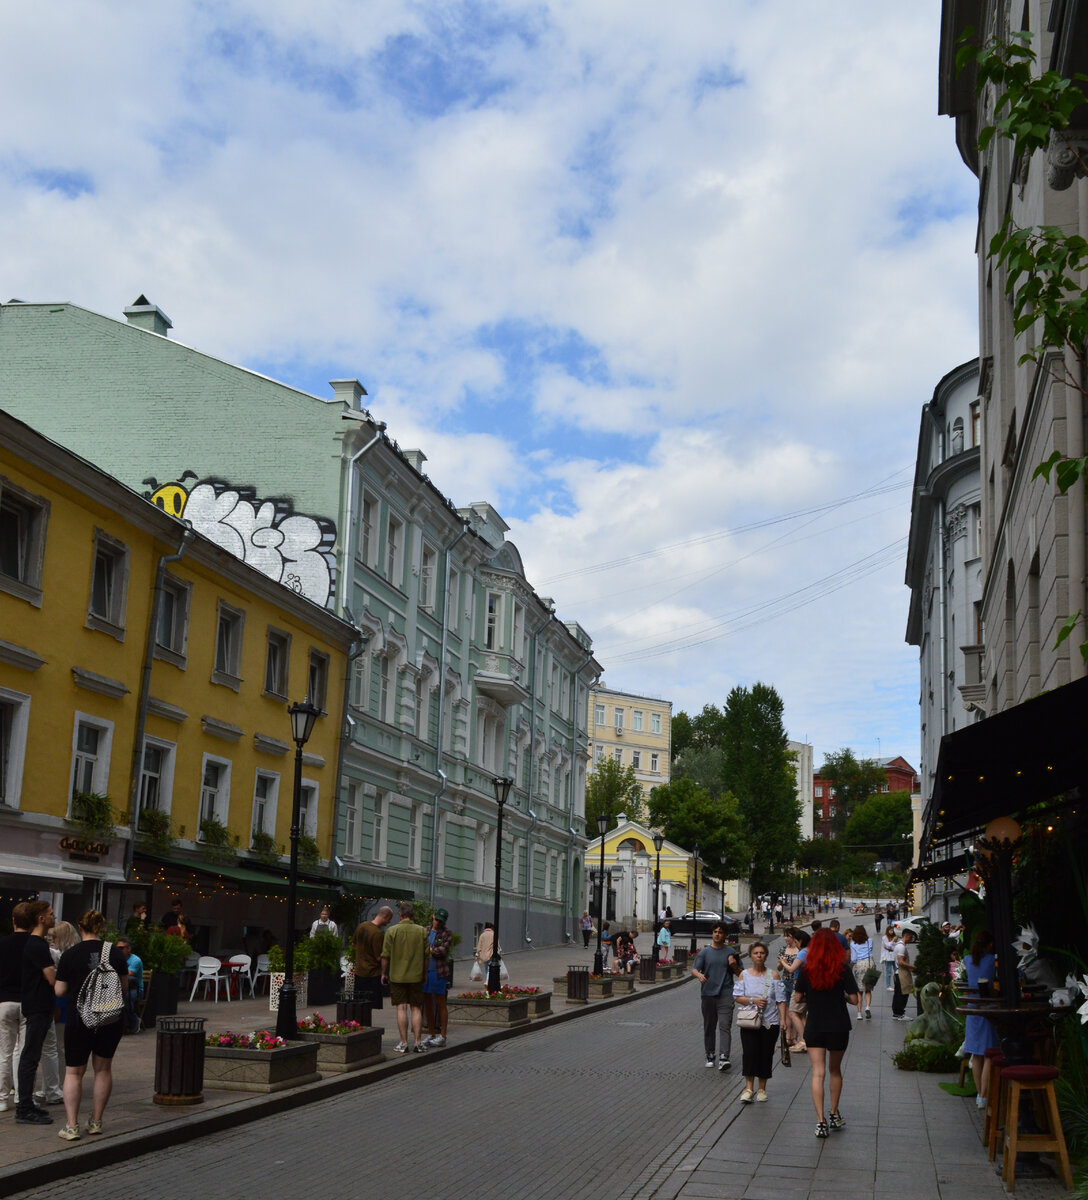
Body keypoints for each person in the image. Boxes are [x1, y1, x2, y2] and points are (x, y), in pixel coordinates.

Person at [54, 910, 129, 1140]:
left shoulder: (70, 955)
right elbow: (124, 988)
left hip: (80, 1018)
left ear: (80, 926)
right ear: (101, 926)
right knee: (103, 1069)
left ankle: (72, 1125)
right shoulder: (116, 954)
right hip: (110, 1018)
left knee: (74, 1072)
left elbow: (60, 990)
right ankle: (96, 1122)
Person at [793, 928, 859, 1138]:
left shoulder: (807, 969)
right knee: (835, 1071)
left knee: (817, 1073)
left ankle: (820, 1121)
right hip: (839, 1025)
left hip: (815, 1026)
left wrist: (811, 998)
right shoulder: (842, 968)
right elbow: (855, 999)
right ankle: (833, 1113)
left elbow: (797, 998)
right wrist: (842, 997)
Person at [17, 900, 57, 1125]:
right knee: (30, 1056)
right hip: (37, 1006)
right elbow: (51, 978)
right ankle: (24, 1108)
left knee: (31, 1055)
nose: (54, 917)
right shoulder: (37, 945)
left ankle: (27, 1104)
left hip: (37, 1004)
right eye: (50, 914)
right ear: (41, 919)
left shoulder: (36, 943)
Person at [732, 942, 786, 1103]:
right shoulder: (744, 975)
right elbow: (737, 997)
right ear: (751, 956)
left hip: (770, 1022)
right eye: (756, 953)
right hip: (750, 1021)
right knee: (749, 1053)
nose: (759, 955)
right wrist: (752, 1000)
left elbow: (781, 1000)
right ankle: (749, 1088)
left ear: (766, 955)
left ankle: (762, 1089)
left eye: (762, 953)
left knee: (766, 1054)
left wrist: (783, 1019)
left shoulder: (774, 975)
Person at [38, 921, 79, 1108]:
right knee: (55, 1047)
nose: (51, 940)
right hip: (61, 1002)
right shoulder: (68, 955)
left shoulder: (62, 956)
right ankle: (53, 1085)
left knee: (58, 1047)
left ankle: (56, 1085)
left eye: (54, 937)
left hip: (60, 1002)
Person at [691, 921, 741, 1070]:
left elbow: (741, 974)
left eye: (720, 932)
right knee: (709, 1026)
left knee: (725, 1026)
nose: (717, 934)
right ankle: (710, 1054)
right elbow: (694, 969)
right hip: (708, 994)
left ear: (725, 935)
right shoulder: (705, 953)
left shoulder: (731, 952)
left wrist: (733, 966)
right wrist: (699, 975)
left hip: (726, 993)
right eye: (715, 932)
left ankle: (724, 1057)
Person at [381, 903, 429, 1054]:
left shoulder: (391, 931)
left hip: (397, 976)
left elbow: (385, 955)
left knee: (401, 1008)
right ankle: (418, 1042)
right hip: (415, 976)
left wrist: (384, 973)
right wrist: (424, 974)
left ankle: (403, 1043)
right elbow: (427, 956)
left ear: (400, 915)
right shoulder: (421, 931)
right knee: (416, 1008)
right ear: (412, 915)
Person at [0, 903, 33, 1114]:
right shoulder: (35, 945)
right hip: (28, 1002)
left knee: (4, 1052)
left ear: (13, 921)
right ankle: (22, 1095)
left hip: (4, 1001)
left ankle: (2, 1098)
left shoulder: (2, 944)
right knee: (23, 1051)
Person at [964, 930, 999, 1108]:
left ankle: (980, 1094)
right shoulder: (992, 960)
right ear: (990, 944)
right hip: (987, 1008)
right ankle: (985, 1094)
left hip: (971, 1008)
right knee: (988, 1054)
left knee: (976, 1054)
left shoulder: (968, 960)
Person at [422, 908, 452, 1048]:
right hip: (425, 971)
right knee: (427, 1002)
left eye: (441, 921)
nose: (438, 922)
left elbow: (442, 951)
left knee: (440, 1002)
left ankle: (443, 1035)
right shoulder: (425, 930)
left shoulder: (446, 933)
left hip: (438, 972)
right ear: (432, 917)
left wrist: (429, 950)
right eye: (436, 919)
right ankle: (431, 1033)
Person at [352, 905, 393, 1007]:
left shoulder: (361, 926)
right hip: (372, 974)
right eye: (389, 919)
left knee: (359, 1005)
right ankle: (366, 1023)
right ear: (385, 916)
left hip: (359, 971)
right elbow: (379, 957)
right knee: (369, 1005)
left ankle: (358, 1022)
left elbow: (353, 944)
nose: (388, 922)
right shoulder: (377, 934)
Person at [776, 927, 810, 1050]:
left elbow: (791, 969)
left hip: (798, 984)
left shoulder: (802, 952)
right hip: (804, 984)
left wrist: (784, 961)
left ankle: (803, 1040)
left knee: (793, 1012)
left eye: (795, 940)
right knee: (800, 1014)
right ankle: (800, 1039)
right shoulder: (811, 951)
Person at [114, 937, 144, 1034]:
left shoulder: (136, 960)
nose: (118, 950)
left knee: (126, 997)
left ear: (128, 948)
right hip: (120, 986)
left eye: (121, 948)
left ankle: (134, 1020)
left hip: (136, 989)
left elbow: (130, 974)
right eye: (117, 948)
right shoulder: (116, 959)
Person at [849, 925, 875, 1020]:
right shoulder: (870, 941)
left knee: (859, 991)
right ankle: (868, 1007)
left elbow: (853, 959)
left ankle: (859, 1014)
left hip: (859, 965)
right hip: (869, 963)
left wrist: (850, 968)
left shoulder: (852, 944)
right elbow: (870, 951)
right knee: (868, 989)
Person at [892, 929, 917, 1021]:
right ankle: (900, 1013)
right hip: (901, 973)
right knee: (902, 994)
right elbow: (901, 962)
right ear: (906, 936)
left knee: (899, 993)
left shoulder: (900, 946)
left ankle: (896, 1013)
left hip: (899, 973)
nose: (912, 939)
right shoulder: (901, 947)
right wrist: (913, 967)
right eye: (911, 937)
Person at [881, 926, 898, 990]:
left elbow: (895, 946)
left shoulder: (894, 937)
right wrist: (893, 941)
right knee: (889, 971)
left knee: (896, 970)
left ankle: (897, 984)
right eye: (890, 930)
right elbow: (887, 946)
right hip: (888, 956)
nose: (891, 932)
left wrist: (892, 943)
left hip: (894, 955)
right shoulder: (884, 937)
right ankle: (888, 986)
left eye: (892, 930)